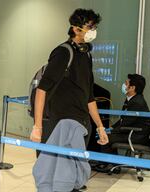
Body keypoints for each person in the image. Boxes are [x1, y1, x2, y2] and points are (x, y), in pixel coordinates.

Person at [30, 9, 109, 150]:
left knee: (75, 170)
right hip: (59, 125)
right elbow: (42, 90)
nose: (93, 31)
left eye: (94, 27)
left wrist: (100, 127)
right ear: (75, 29)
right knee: (52, 170)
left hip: (81, 125)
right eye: (90, 27)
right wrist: (37, 126)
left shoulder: (87, 55)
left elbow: (89, 97)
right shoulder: (63, 52)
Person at [102, 74, 150, 154]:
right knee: (106, 135)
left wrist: (110, 132)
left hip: (137, 136)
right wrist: (111, 128)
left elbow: (126, 123)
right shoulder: (132, 99)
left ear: (132, 88)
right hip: (132, 132)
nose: (123, 85)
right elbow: (123, 119)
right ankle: (113, 163)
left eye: (126, 83)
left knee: (105, 138)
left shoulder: (137, 102)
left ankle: (109, 164)